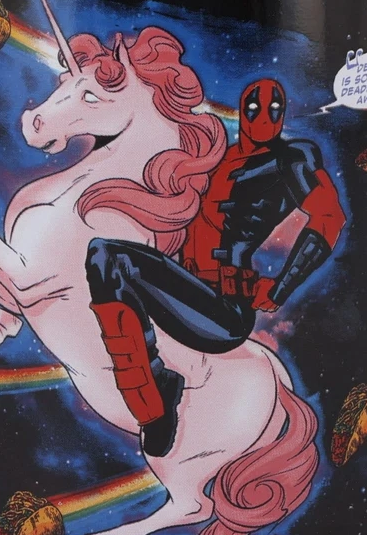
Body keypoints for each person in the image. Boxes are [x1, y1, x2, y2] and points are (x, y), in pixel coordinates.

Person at [87, 77, 346, 453]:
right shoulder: (215, 156)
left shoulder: (291, 159)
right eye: (254, 108)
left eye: (274, 108)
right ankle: (155, 389)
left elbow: (329, 217)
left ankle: (155, 406)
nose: (263, 116)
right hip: (185, 288)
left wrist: (282, 286)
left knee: (110, 257)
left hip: (223, 312)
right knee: (104, 257)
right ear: (242, 111)